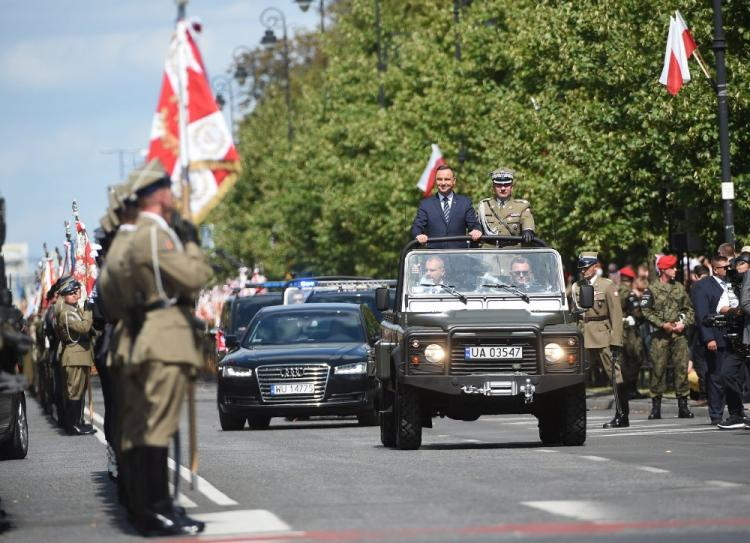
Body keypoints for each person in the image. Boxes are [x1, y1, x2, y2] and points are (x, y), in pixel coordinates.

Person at [117, 159, 212, 536]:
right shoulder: (155, 235)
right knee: (156, 429)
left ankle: (156, 506)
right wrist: (190, 242)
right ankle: (153, 508)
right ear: (157, 195)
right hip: (164, 335)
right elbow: (194, 276)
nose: (175, 196)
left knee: (153, 427)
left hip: (154, 332)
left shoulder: (143, 235)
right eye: (169, 190)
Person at [570, 252, 626, 428]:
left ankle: (622, 414)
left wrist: (616, 341)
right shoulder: (576, 287)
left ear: (596, 266)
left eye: (587, 267)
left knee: (614, 375)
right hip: (583, 334)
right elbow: (574, 313)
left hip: (603, 335)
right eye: (582, 268)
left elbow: (616, 315)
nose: (584, 271)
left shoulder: (607, 286)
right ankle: (575, 413)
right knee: (577, 377)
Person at [642, 254, 695, 420]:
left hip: (679, 335)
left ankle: (683, 406)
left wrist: (683, 323)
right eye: (672, 267)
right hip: (660, 336)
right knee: (658, 369)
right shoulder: (651, 289)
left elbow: (689, 310)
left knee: (681, 369)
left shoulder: (679, 287)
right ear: (664, 269)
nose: (675, 270)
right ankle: (656, 407)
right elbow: (645, 310)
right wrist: (661, 324)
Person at [56, 278, 97, 436]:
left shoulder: (74, 309)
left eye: (76, 292)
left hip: (81, 355)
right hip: (74, 355)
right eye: (70, 293)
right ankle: (72, 425)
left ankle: (78, 422)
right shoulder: (66, 313)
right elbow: (83, 327)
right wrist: (88, 310)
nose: (74, 295)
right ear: (64, 295)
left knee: (80, 390)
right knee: (74, 392)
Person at [411, 163, 482, 248]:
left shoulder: (465, 203)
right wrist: (418, 235)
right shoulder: (426, 205)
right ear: (436, 181)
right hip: (434, 257)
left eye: (447, 179)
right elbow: (416, 227)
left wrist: (476, 230)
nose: (443, 183)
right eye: (440, 179)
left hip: (459, 256)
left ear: (454, 181)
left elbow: (474, 224)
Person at [476, 168, 535, 244]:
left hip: (512, 252)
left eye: (506, 185)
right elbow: (476, 227)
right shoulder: (484, 206)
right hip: (489, 251)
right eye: (499, 185)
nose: (503, 188)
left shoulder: (521, 206)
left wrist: (528, 230)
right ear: (493, 187)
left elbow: (527, 219)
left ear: (511, 187)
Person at [618, 266, 646, 399]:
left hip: (616, 330)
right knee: (636, 358)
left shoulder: (614, 291)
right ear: (631, 279)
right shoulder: (629, 294)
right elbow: (637, 313)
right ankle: (631, 389)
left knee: (622, 361)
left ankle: (623, 389)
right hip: (629, 331)